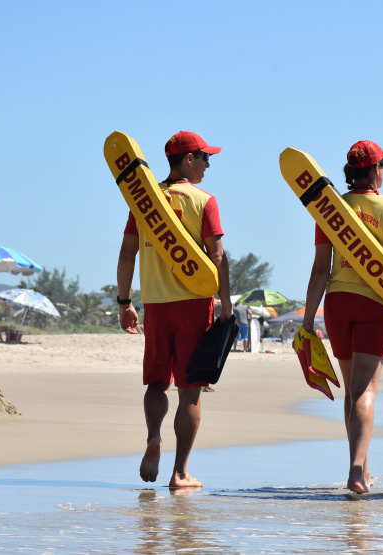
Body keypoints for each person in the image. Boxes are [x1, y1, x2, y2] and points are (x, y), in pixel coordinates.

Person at [302, 140, 383, 494]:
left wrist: (307, 320)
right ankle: (357, 471)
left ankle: (361, 465)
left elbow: (319, 269)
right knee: (366, 391)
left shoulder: (330, 209)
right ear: (375, 170)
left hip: (338, 302)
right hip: (375, 304)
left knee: (352, 390)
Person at [116, 130, 232, 489]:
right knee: (190, 390)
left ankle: (154, 436)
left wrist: (125, 302)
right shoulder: (204, 200)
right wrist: (226, 302)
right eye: (204, 157)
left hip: (156, 305)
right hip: (194, 307)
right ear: (187, 160)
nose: (208, 164)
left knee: (156, 382)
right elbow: (218, 255)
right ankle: (180, 473)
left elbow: (127, 253)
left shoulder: (144, 202)